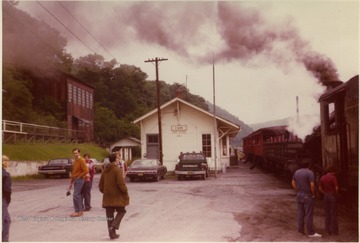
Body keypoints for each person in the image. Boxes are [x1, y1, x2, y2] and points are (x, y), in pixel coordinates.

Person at [99, 154, 129, 240]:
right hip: (117, 196)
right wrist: (125, 191)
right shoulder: (117, 170)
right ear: (115, 160)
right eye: (118, 158)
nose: (119, 159)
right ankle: (114, 226)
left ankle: (112, 234)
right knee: (122, 211)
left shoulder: (105, 170)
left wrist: (105, 192)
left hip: (107, 196)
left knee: (109, 215)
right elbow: (121, 184)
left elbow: (101, 185)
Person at [291, 159, 322, 237]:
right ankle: (311, 232)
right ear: (309, 165)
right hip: (307, 196)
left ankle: (301, 230)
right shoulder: (310, 172)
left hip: (299, 195)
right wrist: (313, 193)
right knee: (308, 214)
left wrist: (297, 189)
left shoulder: (296, 172)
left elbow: (293, 182)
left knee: (300, 213)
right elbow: (312, 185)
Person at [319, 165, 339, 235]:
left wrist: (324, 193)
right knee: (333, 213)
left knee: (327, 214)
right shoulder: (333, 177)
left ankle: (327, 230)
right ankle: (334, 231)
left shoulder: (322, 177)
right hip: (332, 195)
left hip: (326, 196)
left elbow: (320, 188)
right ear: (332, 171)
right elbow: (336, 188)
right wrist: (335, 194)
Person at [68, 148, 88, 217]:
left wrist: (79, 176)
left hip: (79, 179)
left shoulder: (82, 160)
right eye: (74, 153)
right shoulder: (75, 161)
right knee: (76, 195)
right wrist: (71, 182)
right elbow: (73, 172)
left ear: (79, 153)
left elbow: (86, 170)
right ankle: (78, 210)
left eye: (76, 153)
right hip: (75, 179)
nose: (75, 154)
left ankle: (78, 211)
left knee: (76, 195)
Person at [2, 155, 12, 242]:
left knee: (7, 220)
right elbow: (7, 189)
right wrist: (8, 199)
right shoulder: (5, 174)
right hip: (2, 198)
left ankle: (5, 239)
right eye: (6, 161)